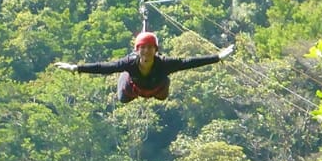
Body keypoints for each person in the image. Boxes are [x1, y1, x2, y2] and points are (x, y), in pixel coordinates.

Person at [54, 31, 235, 103]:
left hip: (157, 88)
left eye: (151, 48)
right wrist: (76, 68)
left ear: (156, 50)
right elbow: (104, 67)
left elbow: (189, 62)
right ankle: (124, 79)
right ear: (138, 50)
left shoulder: (164, 63)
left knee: (162, 95)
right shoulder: (129, 63)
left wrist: (218, 57)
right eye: (144, 48)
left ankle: (154, 87)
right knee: (123, 98)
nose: (147, 52)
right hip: (134, 87)